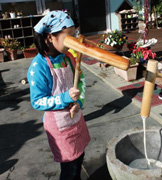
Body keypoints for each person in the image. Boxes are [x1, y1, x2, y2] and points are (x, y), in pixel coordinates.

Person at [27, 10, 90, 180]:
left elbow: (81, 79)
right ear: (50, 37)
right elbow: (38, 101)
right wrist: (65, 98)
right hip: (59, 126)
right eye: (69, 36)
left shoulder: (68, 57)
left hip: (75, 118)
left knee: (79, 158)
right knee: (69, 169)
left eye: (74, 34)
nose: (74, 40)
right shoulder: (38, 67)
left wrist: (79, 101)